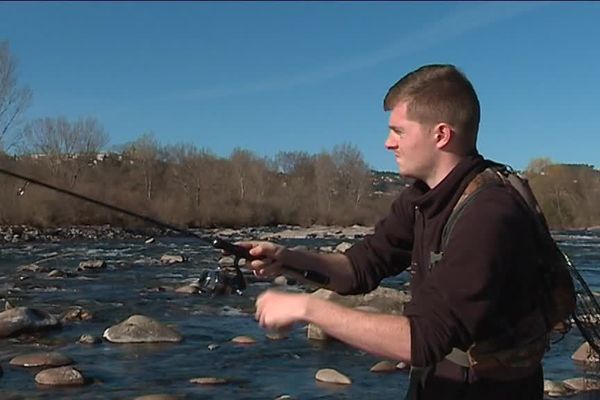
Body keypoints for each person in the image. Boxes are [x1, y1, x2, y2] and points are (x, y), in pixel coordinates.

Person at [243, 64, 545, 399]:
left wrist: (306, 309)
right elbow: (361, 267)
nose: (388, 143)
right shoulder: (421, 197)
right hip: (438, 384)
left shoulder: (489, 214)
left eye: (398, 131)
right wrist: (286, 259)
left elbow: (423, 339)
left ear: (441, 135)